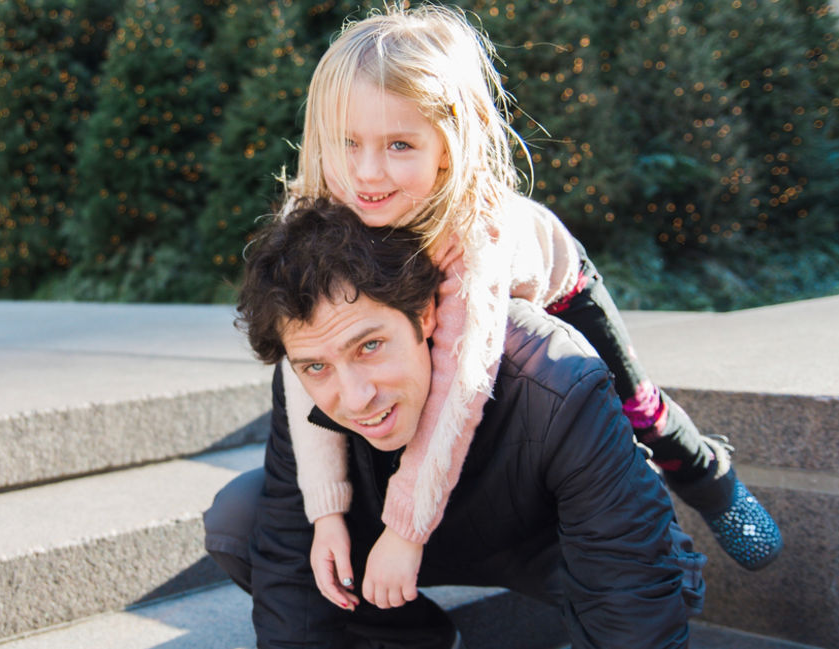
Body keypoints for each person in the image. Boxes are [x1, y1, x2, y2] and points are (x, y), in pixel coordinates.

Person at [275, 4, 781, 612]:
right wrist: (327, 509)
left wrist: (406, 533)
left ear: (447, 146)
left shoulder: (474, 235)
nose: (367, 173)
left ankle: (708, 479)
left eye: (400, 144)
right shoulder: (320, 215)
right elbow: (303, 361)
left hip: (562, 291)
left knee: (638, 410)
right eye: (347, 143)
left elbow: (459, 389)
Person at [205, 199, 706, 648]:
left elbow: (629, 591)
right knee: (240, 520)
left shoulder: (553, 376)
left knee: (663, 578)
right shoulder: (306, 371)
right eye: (316, 366)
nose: (355, 397)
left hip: (546, 537)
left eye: (370, 345)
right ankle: (420, 639)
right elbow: (287, 553)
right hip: (398, 535)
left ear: (424, 314)